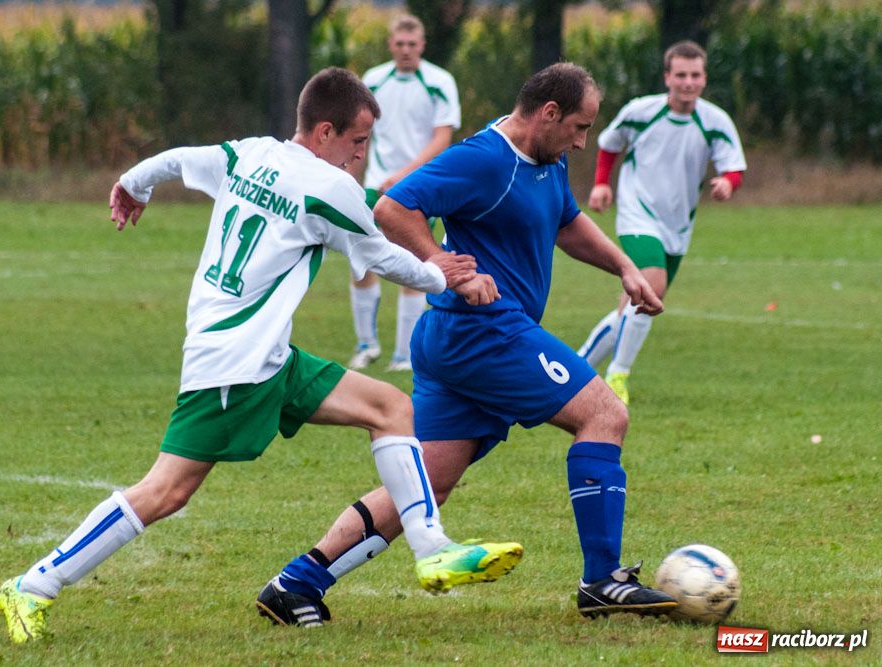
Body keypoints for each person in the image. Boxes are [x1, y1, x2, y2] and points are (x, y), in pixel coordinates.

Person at [0, 67, 522, 643]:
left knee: (391, 408)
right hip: (235, 365)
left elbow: (174, 159)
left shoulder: (246, 154)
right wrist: (446, 278)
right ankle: (33, 584)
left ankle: (432, 549)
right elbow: (382, 258)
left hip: (263, 353)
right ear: (324, 132)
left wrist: (132, 183)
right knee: (166, 490)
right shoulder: (329, 186)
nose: (361, 153)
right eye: (358, 141)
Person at [259, 62, 678, 623]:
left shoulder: (545, 159)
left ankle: (295, 584)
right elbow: (392, 207)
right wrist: (441, 264)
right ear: (549, 114)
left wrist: (624, 267)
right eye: (580, 126)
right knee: (605, 415)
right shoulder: (485, 159)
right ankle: (602, 579)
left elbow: (567, 222)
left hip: (457, 341)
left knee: (425, 484)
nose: (584, 141)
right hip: (485, 332)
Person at [577, 40, 747, 405]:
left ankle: (575, 371)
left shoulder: (715, 120)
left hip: (678, 224)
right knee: (650, 284)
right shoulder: (642, 111)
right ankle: (617, 377)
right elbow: (609, 142)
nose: (688, 82)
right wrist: (602, 183)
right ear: (667, 77)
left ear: (704, 78)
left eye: (695, 75)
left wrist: (726, 183)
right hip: (636, 211)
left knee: (631, 305)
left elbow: (734, 165)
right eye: (681, 75)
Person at [347, 14, 461, 372]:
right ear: (391, 44)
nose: (406, 50)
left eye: (413, 44)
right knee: (360, 260)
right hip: (374, 185)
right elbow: (360, 134)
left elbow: (442, 138)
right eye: (400, 44)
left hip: (417, 188)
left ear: (422, 45)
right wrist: (352, 176)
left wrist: (404, 175)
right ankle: (366, 344)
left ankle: (404, 355)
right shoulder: (373, 81)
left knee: (412, 265)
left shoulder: (440, 82)